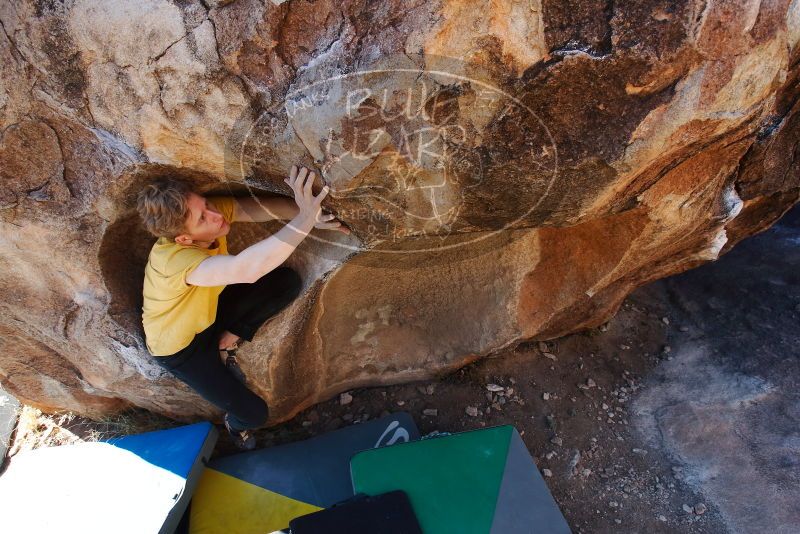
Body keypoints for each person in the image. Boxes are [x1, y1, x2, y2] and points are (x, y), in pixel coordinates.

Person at [136, 166, 348, 449]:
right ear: (184, 240)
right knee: (254, 413)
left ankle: (229, 336)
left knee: (285, 282)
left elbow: (249, 209)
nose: (215, 215)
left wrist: (309, 212)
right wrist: (305, 218)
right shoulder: (172, 262)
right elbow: (246, 269)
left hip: (210, 312)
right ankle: (234, 427)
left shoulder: (204, 218)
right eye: (203, 218)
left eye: (207, 204)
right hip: (182, 350)